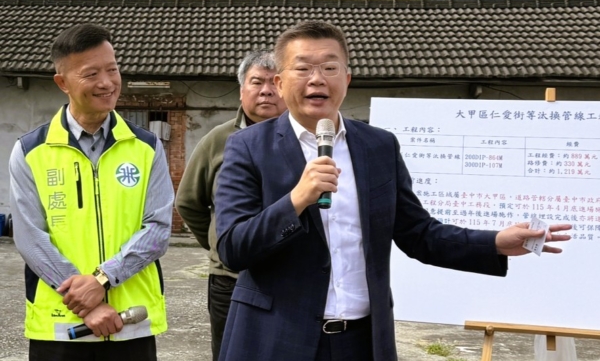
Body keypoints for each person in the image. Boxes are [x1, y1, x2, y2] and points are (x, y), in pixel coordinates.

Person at [213, 21, 572, 361]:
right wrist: (296, 200)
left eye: (330, 67)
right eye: (303, 68)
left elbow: (419, 233)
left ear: (347, 78)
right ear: (280, 81)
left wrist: (494, 243)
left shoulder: (378, 146)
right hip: (276, 338)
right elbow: (232, 247)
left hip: (362, 341)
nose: (317, 79)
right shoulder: (248, 147)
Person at [8, 23, 174, 361]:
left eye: (112, 70)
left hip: (131, 323)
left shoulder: (146, 147)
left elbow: (158, 230)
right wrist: (87, 303)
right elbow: (29, 238)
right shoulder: (30, 151)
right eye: (91, 74)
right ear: (62, 83)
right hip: (61, 325)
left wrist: (103, 279)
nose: (107, 82)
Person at [175, 50, 286, 360]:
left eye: (275, 82)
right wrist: (220, 245)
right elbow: (189, 202)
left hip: (289, 278)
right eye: (257, 82)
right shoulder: (218, 139)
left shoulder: (304, 139)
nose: (266, 90)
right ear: (241, 90)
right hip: (231, 280)